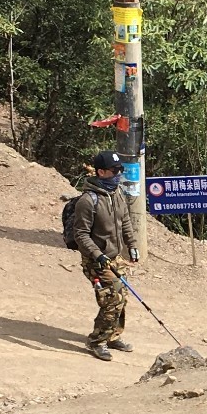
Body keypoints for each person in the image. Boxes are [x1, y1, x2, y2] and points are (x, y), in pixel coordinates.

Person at [69, 150, 140, 360]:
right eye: (114, 171)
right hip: (96, 260)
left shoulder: (116, 193)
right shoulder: (87, 201)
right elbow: (80, 234)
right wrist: (97, 255)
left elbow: (125, 220)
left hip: (115, 256)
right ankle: (97, 341)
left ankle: (113, 335)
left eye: (120, 170)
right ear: (101, 172)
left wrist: (132, 244)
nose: (119, 174)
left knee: (122, 296)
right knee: (111, 299)